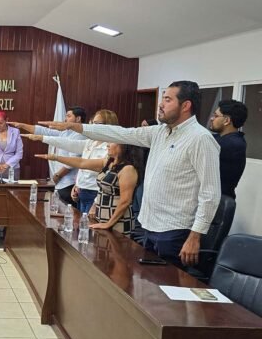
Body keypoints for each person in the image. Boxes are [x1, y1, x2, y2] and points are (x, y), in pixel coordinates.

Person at [48, 81, 220, 267]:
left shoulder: (200, 139)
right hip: (149, 225)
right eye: (162, 98)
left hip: (176, 230)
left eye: (168, 100)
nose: (161, 104)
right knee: (149, 281)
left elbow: (210, 193)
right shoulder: (159, 132)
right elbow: (120, 133)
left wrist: (195, 235)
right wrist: (75, 127)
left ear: (185, 105)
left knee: (170, 282)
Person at [22, 110, 117, 213]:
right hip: (81, 191)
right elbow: (69, 144)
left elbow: (85, 165)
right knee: (79, 221)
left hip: (95, 193)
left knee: (89, 222)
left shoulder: (111, 146)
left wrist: (56, 157)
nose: (93, 126)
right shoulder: (91, 142)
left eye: (98, 123)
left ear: (109, 125)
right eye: (93, 123)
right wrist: (77, 185)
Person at [37, 143, 141, 236]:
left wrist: (109, 224)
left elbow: (125, 201)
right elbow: (82, 163)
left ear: (123, 146)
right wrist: (55, 157)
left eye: (112, 142)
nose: (107, 145)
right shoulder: (108, 162)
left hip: (117, 219)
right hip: (102, 216)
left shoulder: (128, 169)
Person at [9, 107, 86, 206]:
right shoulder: (65, 131)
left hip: (69, 183)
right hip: (60, 183)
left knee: (68, 211)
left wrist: (58, 175)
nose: (65, 119)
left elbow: (73, 161)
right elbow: (44, 131)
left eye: (69, 116)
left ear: (78, 119)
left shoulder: (79, 135)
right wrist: (22, 125)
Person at [209, 99, 247, 199]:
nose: (212, 118)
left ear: (227, 120)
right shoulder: (222, 138)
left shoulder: (233, 144)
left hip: (217, 201)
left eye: (216, 116)